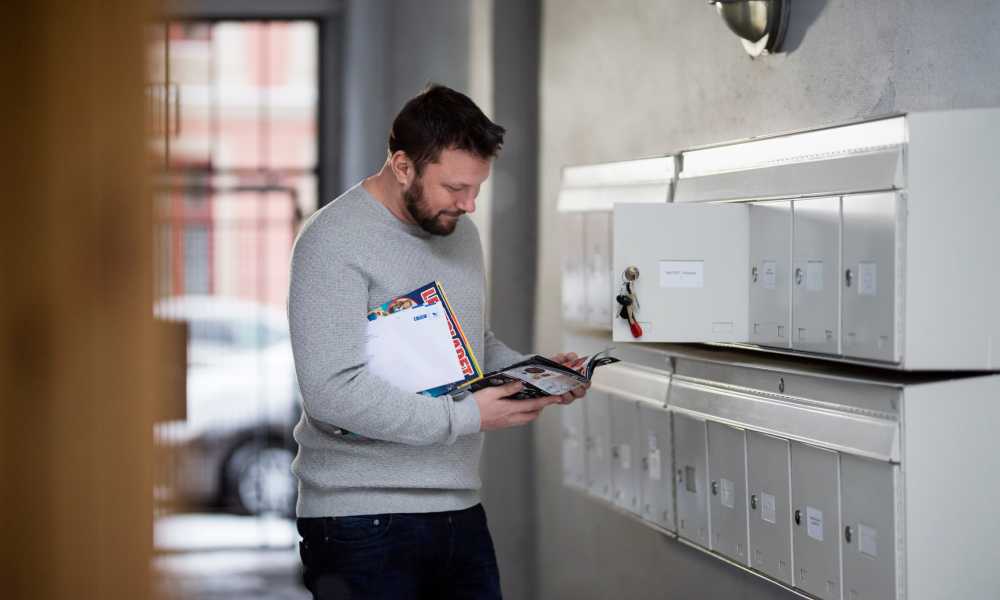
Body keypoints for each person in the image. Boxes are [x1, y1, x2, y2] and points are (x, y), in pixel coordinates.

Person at [287, 83, 587, 600]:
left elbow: (471, 344)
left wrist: (535, 374)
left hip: (458, 508)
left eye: (477, 188)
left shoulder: (458, 232)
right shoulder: (331, 242)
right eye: (454, 188)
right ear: (403, 166)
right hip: (361, 520)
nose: (469, 205)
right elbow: (331, 391)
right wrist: (468, 417)